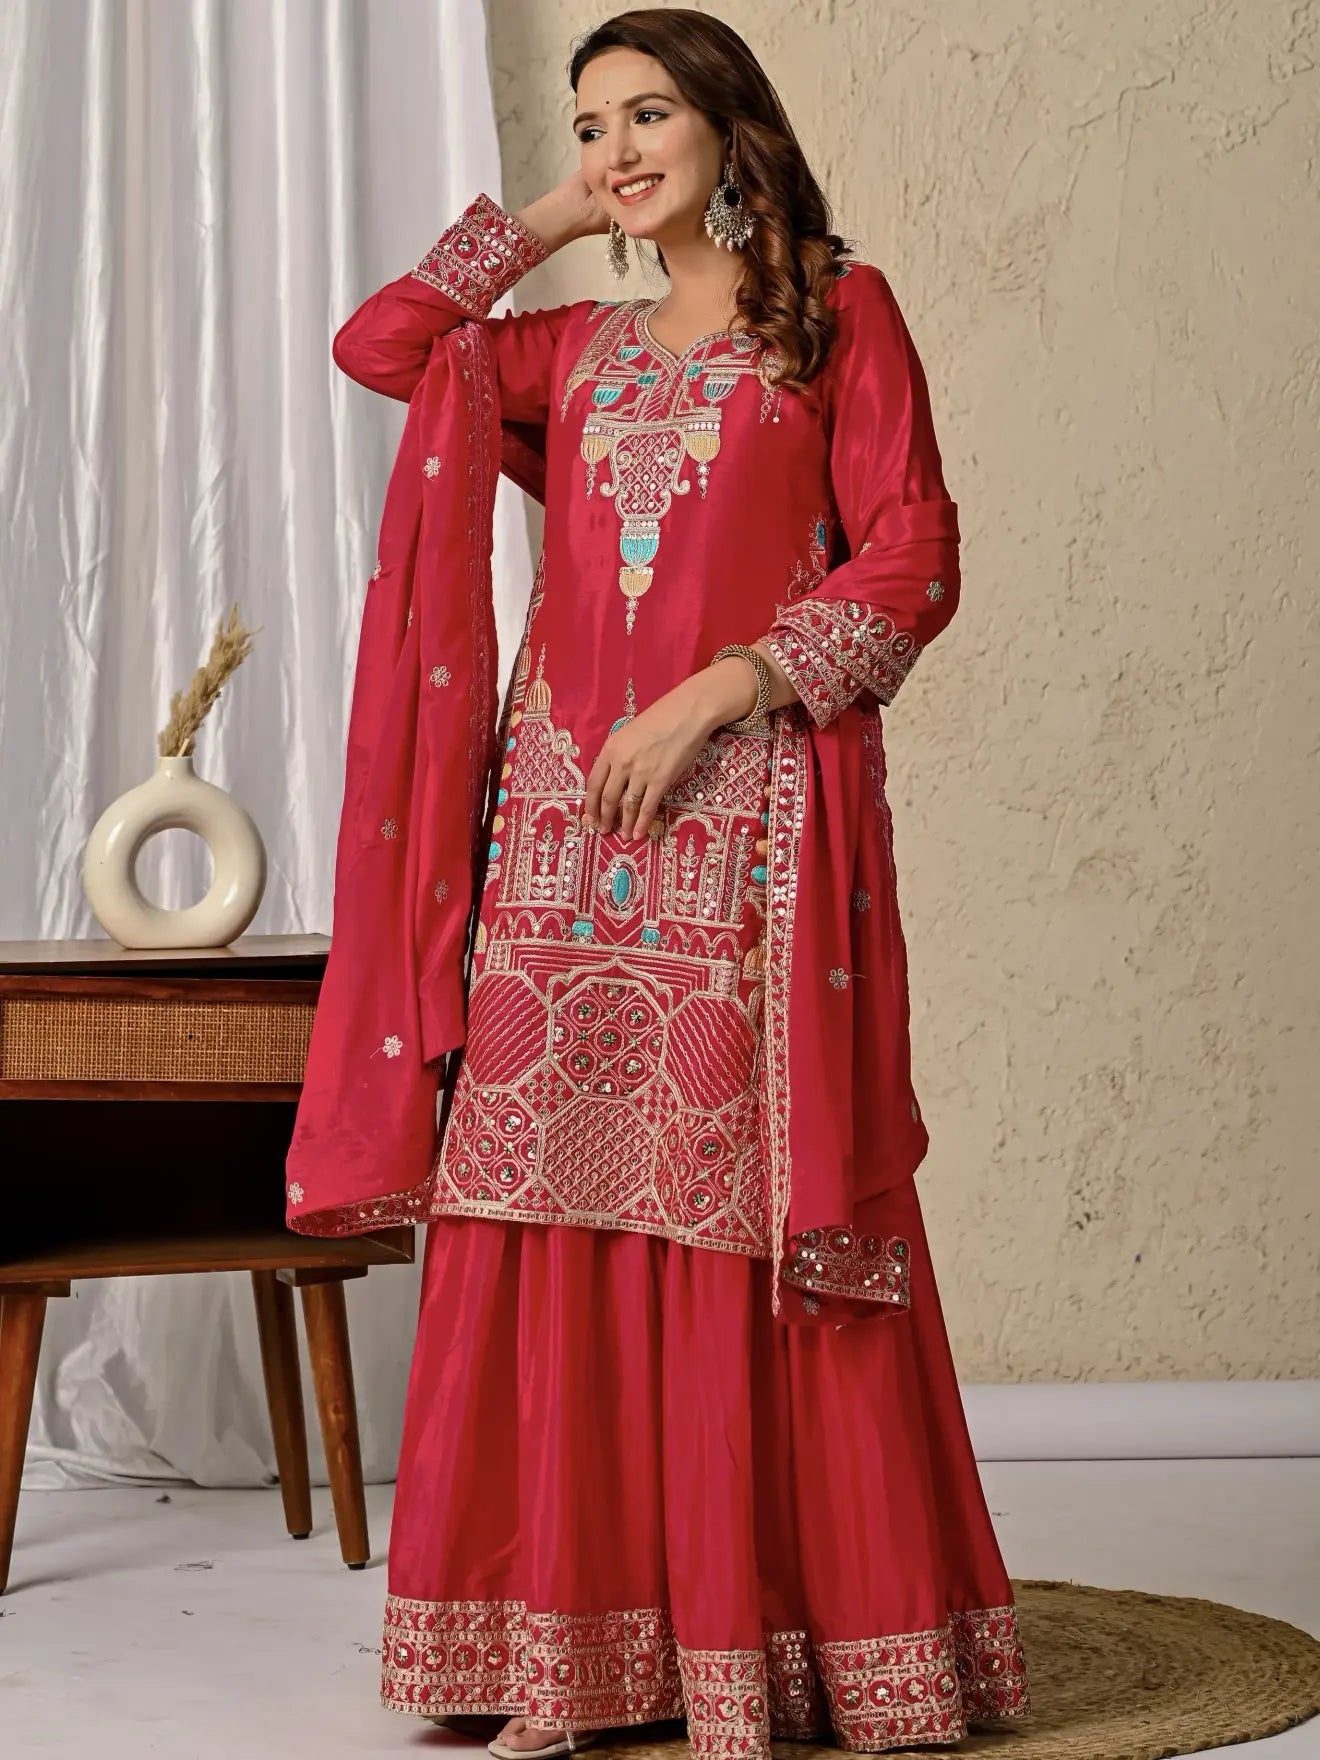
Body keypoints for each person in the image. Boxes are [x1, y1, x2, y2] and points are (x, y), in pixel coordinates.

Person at [286, 11, 1032, 1758]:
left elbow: (912, 549)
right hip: (556, 837)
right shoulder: (575, 349)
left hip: (748, 833)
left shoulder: (836, 311)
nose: (620, 146)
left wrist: (728, 683)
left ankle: (755, 1647)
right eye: (590, 121)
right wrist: (542, 220)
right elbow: (379, 344)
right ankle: (567, 1655)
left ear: (731, 128)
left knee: (724, 1206)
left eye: (649, 116)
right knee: (552, 1208)